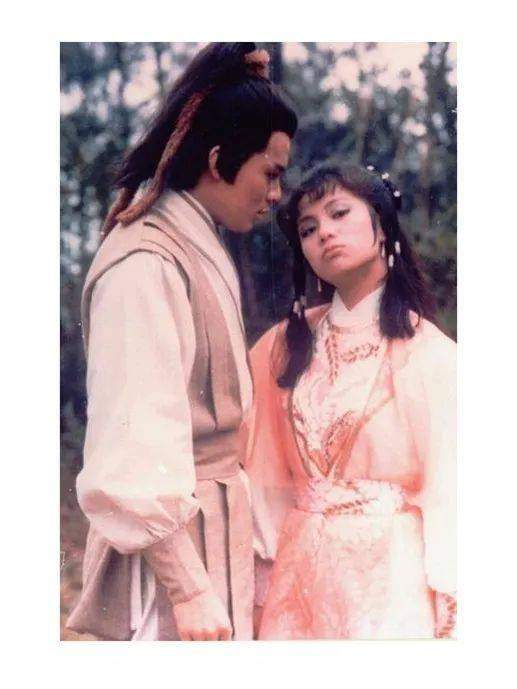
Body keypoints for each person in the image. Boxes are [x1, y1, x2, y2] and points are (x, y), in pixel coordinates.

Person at [66, 42, 297, 641]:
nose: (276, 195)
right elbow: (133, 441)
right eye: (270, 174)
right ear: (219, 161)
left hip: (213, 528)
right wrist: (188, 588)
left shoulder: (196, 243)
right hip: (168, 562)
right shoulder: (145, 261)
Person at [245, 163, 456, 639]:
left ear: (381, 225)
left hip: (392, 576)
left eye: (339, 213)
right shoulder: (280, 347)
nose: (325, 233)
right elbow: (262, 479)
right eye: (308, 228)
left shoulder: (431, 354)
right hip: (298, 575)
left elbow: (453, 490)